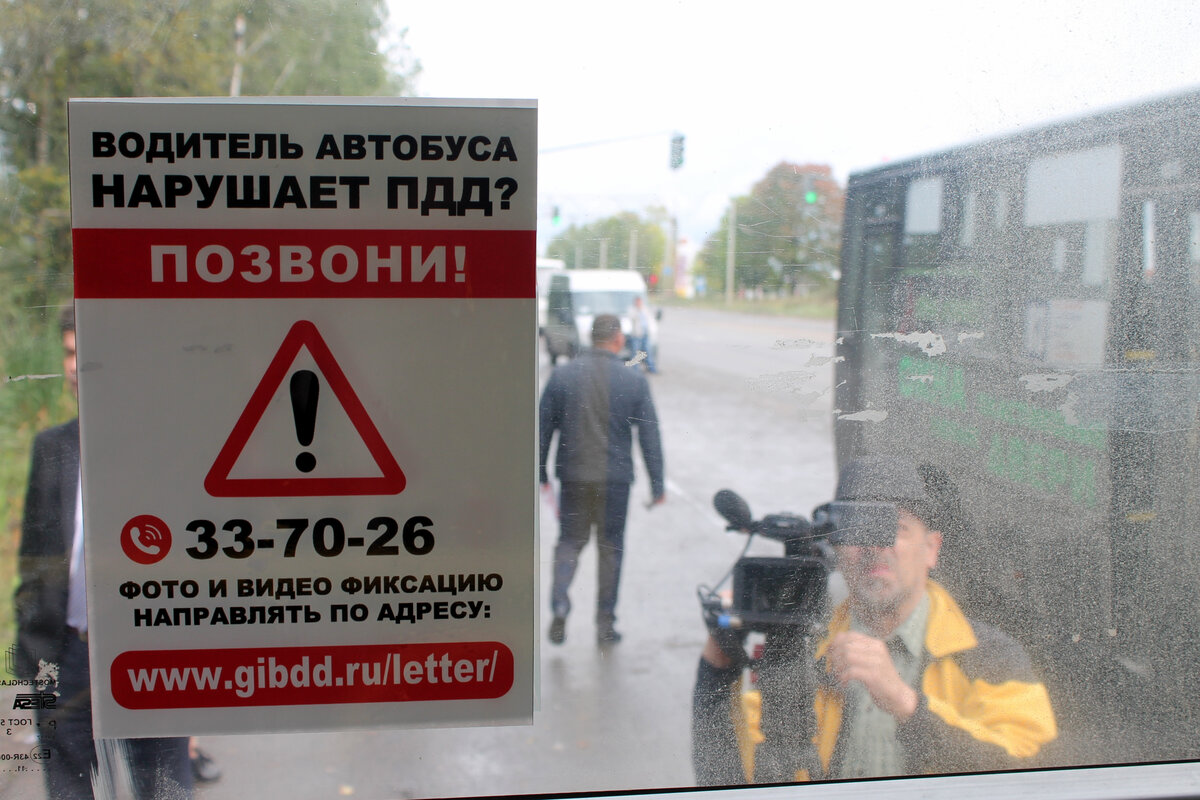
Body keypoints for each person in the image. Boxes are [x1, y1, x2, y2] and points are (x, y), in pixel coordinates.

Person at [692, 456, 1056, 784]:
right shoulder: (803, 648)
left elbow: (1034, 770)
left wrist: (905, 704)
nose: (873, 546)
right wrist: (717, 666)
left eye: (892, 528)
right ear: (836, 548)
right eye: (856, 529)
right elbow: (731, 777)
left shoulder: (989, 656)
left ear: (931, 549)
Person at [14, 306, 194, 800]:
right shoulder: (53, 447)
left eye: (86, 353)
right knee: (70, 790)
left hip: (148, 656)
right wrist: (35, 651)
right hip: (68, 654)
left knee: (160, 789)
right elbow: (37, 554)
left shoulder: (165, 448)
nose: (75, 365)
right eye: (69, 353)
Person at [539, 313, 666, 645]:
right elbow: (649, 435)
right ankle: (605, 625)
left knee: (570, 542)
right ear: (618, 339)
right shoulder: (633, 378)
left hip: (574, 477)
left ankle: (560, 606)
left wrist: (539, 471)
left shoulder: (563, 375)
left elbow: (542, 429)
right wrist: (658, 484)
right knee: (610, 549)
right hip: (615, 481)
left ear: (590, 337)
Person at [629, 296, 657, 374]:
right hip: (637, 334)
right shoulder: (632, 310)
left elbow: (649, 318)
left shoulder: (645, 309)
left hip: (645, 333)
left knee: (648, 351)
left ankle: (651, 368)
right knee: (635, 352)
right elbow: (632, 318)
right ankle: (635, 369)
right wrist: (638, 310)